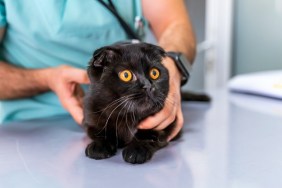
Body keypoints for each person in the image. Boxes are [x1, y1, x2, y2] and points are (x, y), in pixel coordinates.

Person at [0, 0, 195, 141]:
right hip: (28, 128)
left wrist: (172, 65)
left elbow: (175, 24)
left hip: (136, 119)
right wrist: (45, 79)